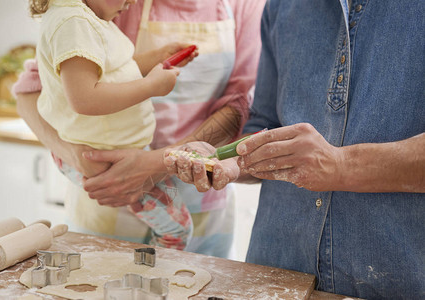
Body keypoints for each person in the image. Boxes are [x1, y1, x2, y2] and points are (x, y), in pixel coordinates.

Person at [163, 0, 425, 299]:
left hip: (398, 280)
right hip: (273, 275)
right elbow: (265, 123)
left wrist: (340, 166)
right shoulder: (283, 6)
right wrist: (231, 161)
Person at [14, 0, 266, 258]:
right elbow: (36, 87)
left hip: (203, 202)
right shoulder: (96, 11)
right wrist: (73, 154)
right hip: (107, 196)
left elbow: (240, 104)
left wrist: (157, 163)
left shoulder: (246, 5)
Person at [20, 0, 200, 250]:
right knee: (176, 230)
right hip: (106, 159)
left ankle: (146, 278)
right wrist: (152, 87)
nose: (132, 1)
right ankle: (152, 281)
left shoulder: (86, 20)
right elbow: (84, 99)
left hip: (113, 151)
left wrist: (158, 59)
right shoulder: (74, 23)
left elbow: (114, 71)